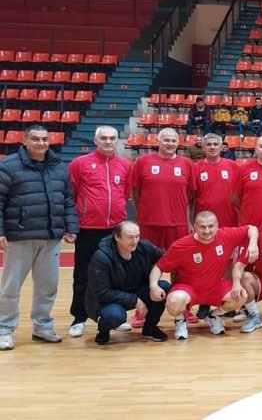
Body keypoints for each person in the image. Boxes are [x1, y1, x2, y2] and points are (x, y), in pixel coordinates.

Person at [0, 126, 78, 350]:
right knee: (11, 287)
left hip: (51, 236)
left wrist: (71, 227)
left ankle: (42, 326)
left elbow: (67, 200)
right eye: (35, 139)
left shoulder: (58, 167)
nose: (41, 143)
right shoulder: (8, 166)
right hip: (19, 236)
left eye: (44, 139)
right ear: (25, 141)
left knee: (48, 286)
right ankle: (4, 329)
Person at [150, 211, 258, 340]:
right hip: (188, 288)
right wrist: (153, 285)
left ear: (217, 225)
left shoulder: (225, 235)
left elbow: (252, 229)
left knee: (241, 295)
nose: (207, 231)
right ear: (195, 226)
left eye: (210, 226)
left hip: (214, 287)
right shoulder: (181, 246)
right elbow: (158, 267)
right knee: (174, 301)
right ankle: (180, 320)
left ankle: (214, 316)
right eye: (202, 227)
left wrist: (253, 244)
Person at [67, 126, 131, 337]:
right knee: (83, 274)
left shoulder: (124, 164)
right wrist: (72, 225)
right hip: (88, 228)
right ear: (95, 141)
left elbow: (125, 192)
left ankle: (116, 316)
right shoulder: (79, 164)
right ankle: (79, 317)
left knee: (117, 275)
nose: (108, 141)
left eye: (112, 138)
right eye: (103, 138)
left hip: (116, 230)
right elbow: (70, 195)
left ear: (117, 141)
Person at [85, 221, 170, 345]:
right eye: (130, 237)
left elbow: (167, 259)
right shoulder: (101, 258)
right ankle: (103, 331)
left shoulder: (144, 247)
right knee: (114, 315)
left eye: (137, 236)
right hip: (109, 299)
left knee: (163, 287)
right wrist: (135, 300)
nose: (135, 241)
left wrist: (153, 283)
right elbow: (102, 293)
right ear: (117, 237)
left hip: (136, 290)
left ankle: (150, 328)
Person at [131, 128, 193, 250]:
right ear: (158, 142)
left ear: (178, 143)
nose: (170, 143)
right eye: (166, 140)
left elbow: (189, 196)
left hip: (178, 224)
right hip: (148, 223)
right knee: (147, 259)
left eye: (173, 141)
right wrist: (144, 213)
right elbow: (135, 192)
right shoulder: (143, 161)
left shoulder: (187, 163)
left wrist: (187, 221)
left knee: (177, 259)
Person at [192, 134, 238, 230]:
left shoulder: (232, 166)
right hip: (205, 222)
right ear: (203, 148)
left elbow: (238, 194)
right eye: (208, 144)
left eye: (215, 144)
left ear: (221, 147)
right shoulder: (195, 168)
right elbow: (190, 198)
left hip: (229, 219)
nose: (212, 147)